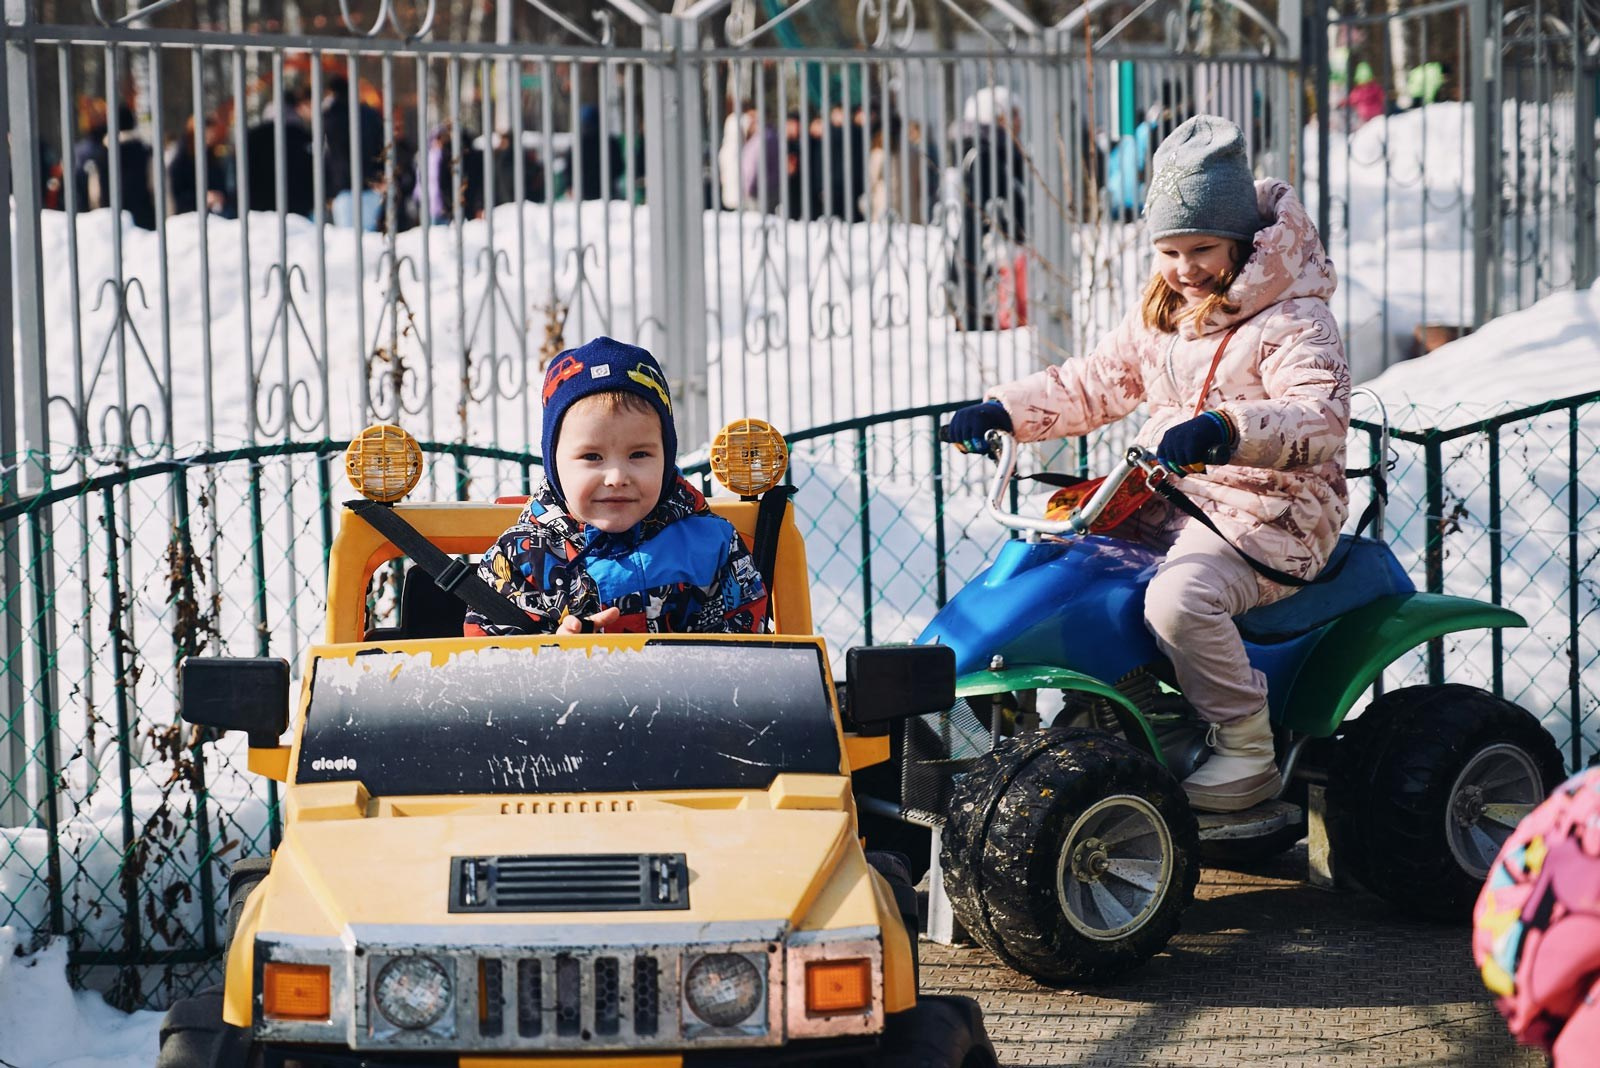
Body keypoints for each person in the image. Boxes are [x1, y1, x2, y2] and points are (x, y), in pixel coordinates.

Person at [939, 115, 1350, 812]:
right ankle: (1098, 716)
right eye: (1170, 251)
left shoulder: (1294, 319)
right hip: (1169, 497)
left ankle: (1245, 745)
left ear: (1242, 242)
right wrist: (1004, 410)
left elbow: (1321, 416)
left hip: (1271, 509)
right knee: (1054, 567)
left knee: (1179, 598)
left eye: (1202, 248)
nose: (1186, 269)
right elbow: (1094, 383)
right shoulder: (1163, 315)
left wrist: (1227, 429)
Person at [464, 337, 769, 637]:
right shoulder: (523, 556)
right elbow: (487, 655)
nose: (616, 477)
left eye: (639, 454)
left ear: (666, 456)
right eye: (592, 457)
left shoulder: (712, 545)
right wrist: (555, 653)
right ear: (554, 464)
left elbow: (746, 647)